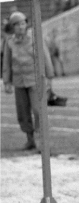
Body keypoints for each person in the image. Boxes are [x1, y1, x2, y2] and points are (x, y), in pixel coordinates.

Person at [2, 11, 54, 151]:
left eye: (23, 23)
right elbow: (6, 62)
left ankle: (40, 141)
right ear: (13, 27)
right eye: (17, 24)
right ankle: (30, 139)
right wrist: (6, 82)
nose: (20, 27)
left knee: (38, 110)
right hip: (19, 81)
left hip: (35, 80)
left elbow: (45, 56)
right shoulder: (10, 42)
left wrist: (49, 77)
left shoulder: (35, 38)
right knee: (23, 112)